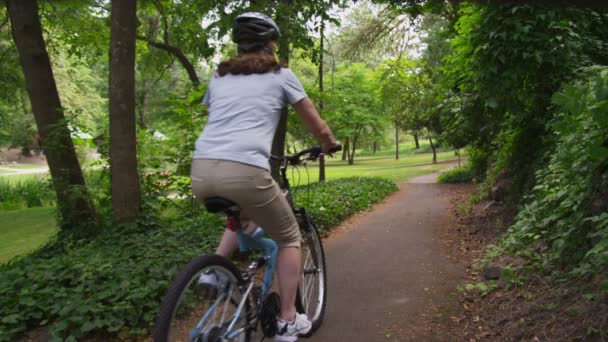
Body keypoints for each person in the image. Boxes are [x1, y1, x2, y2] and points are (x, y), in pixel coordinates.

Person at [190, 11, 339, 341]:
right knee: (289, 238)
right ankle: (287, 319)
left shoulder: (219, 76)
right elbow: (314, 120)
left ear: (239, 45)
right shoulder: (281, 74)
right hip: (244, 169)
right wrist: (328, 143)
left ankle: (215, 272)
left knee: (240, 215)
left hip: (201, 170)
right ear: (270, 44)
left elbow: (221, 118)